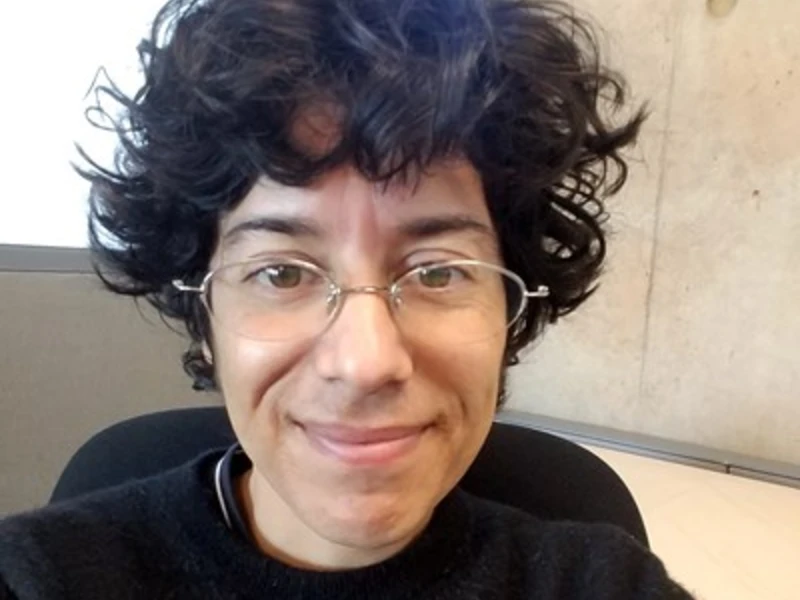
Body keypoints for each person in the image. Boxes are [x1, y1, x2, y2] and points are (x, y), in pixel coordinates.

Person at [0, 0, 695, 597]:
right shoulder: (46, 577)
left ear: (507, 312)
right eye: (282, 273)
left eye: (437, 272)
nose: (366, 362)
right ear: (205, 317)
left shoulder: (595, 585)